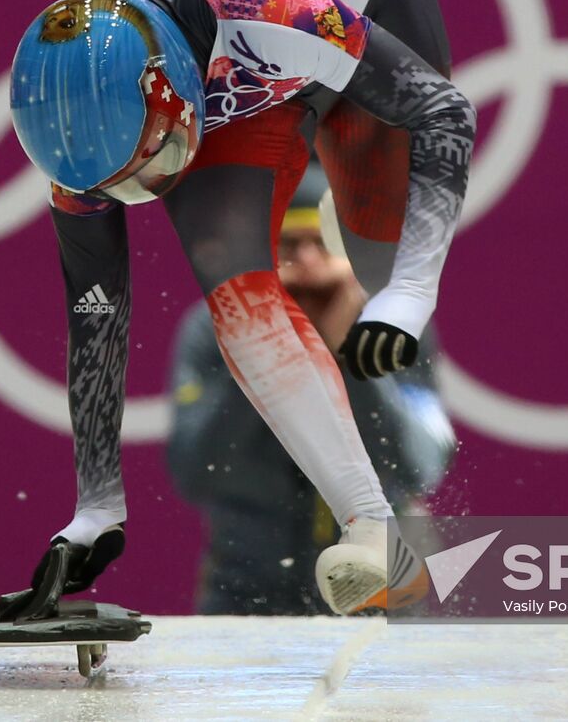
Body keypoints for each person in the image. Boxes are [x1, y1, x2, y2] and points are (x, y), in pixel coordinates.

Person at [9, 0, 474, 615]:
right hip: (212, 54)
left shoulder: (285, 12)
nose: (150, 191)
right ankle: (373, 528)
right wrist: (97, 502)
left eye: (153, 166)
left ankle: (392, 517)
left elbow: (445, 112)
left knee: (381, 262)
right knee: (234, 284)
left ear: (176, 99)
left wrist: (411, 292)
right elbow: (95, 312)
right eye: (123, 186)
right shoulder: (81, 132)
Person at [166, 162, 457, 614]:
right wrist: (266, 350)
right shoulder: (213, 329)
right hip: (246, 596)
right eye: (289, 247)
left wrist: (351, 357)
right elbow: (197, 469)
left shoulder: (394, 327)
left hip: (384, 596)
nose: (306, 262)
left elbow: (419, 467)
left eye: (323, 245)